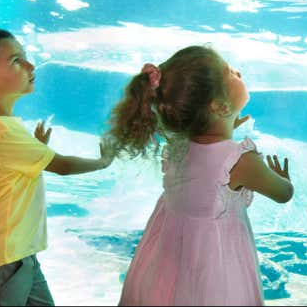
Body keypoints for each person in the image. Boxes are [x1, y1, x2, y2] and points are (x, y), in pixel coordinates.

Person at [106, 45, 294, 306]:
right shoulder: (241, 161)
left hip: (169, 262)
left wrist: (226, 123)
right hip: (217, 269)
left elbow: (206, 143)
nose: (237, 71)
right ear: (219, 106)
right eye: (230, 72)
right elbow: (283, 193)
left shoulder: (176, 148)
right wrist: (281, 177)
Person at [0, 28, 116, 306]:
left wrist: (37, 148)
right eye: (16, 61)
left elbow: (12, 171)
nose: (30, 65)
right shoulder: (1, 132)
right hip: (1, 260)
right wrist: (103, 162)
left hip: (19, 254)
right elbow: (62, 166)